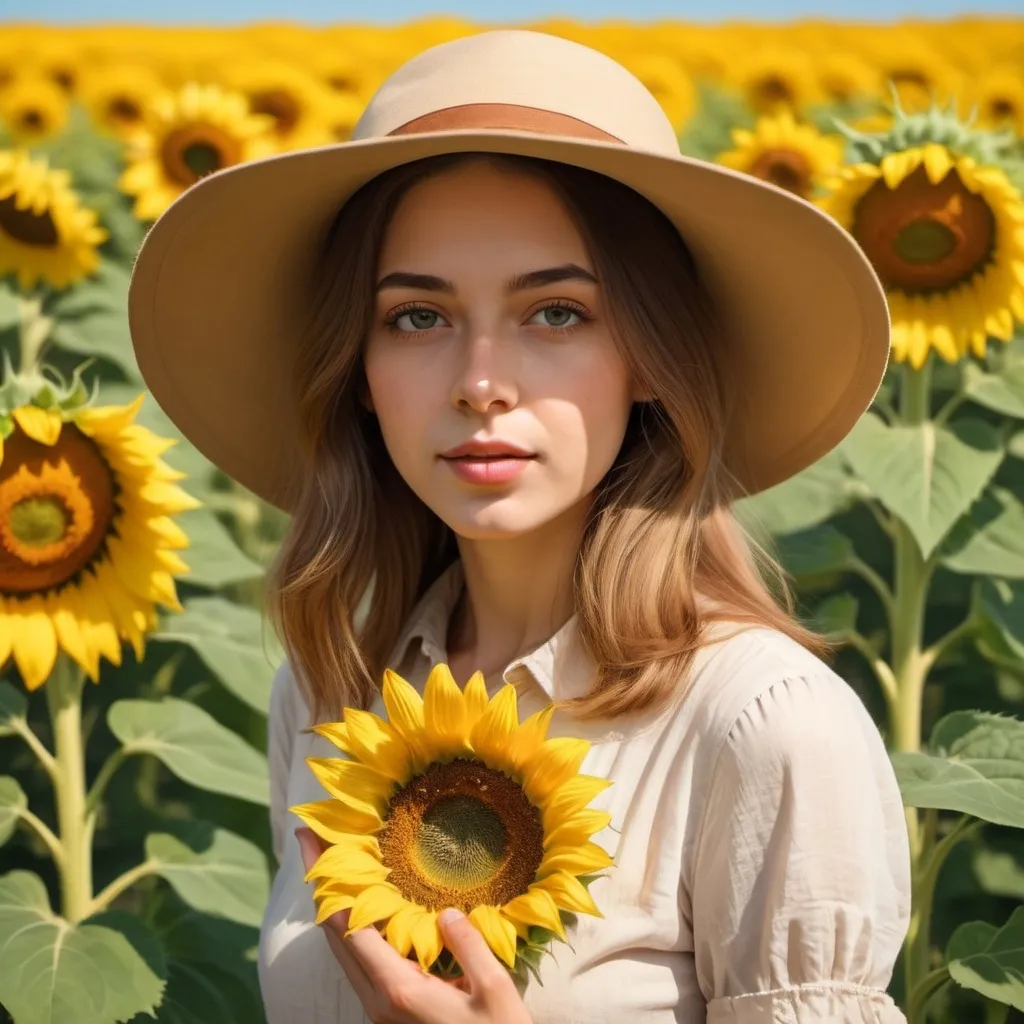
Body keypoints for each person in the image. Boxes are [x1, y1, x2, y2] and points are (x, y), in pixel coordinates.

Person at [127, 28, 912, 1024]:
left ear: (650, 359)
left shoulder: (762, 728)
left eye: (555, 313)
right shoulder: (332, 692)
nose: (480, 385)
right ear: (358, 374)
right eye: (417, 316)